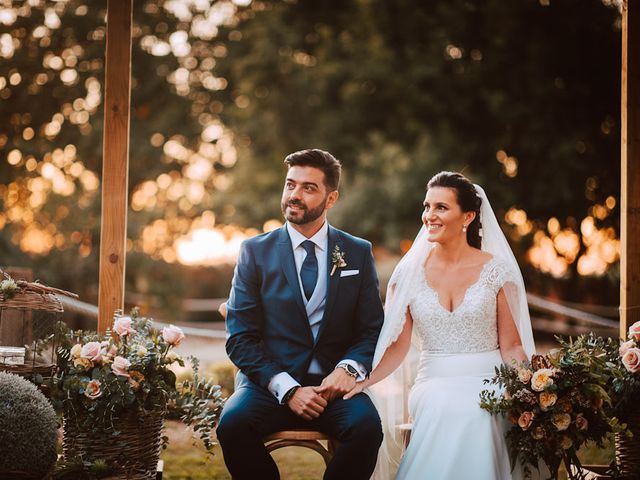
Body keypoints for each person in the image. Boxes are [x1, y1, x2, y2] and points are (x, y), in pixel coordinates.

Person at [345, 171, 537, 479]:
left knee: (481, 413)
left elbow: (512, 345)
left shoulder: (497, 272)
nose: (429, 216)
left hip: (489, 378)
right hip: (434, 380)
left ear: (468, 216)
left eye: (441, 208)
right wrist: (365, 381)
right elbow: (397, 345)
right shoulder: (408, 274)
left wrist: (529, 389)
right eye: (427, 206)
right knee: (445, 405)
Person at [217, 149, 384, 480]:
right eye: (290, 185)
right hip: (268, 387)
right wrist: (288, 390)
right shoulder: (254, 252)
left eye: (308, 188)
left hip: (332, 389)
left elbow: (370, 329)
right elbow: (240, 338)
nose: (294, 194)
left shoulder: (357, 252)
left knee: (367, 428)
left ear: (331, 198)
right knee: (232, 425)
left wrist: (347, 370)